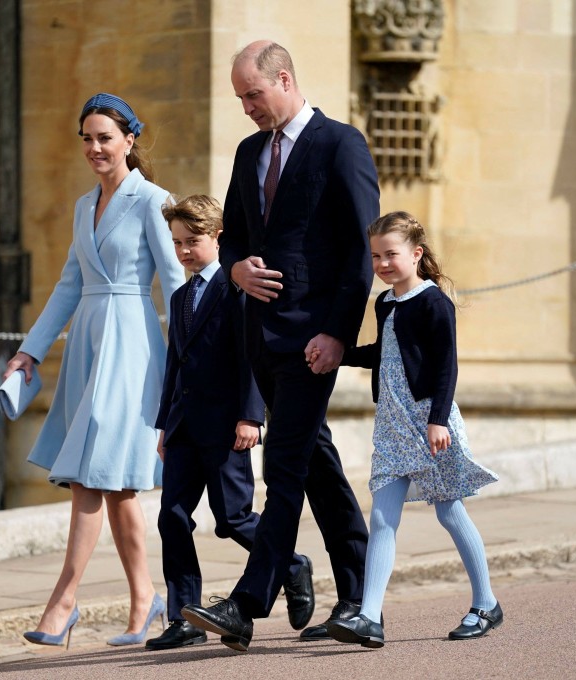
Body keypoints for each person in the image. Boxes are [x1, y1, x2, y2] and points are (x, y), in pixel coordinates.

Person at [181, 40, 377, 651]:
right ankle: (360, 595)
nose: (245, 108)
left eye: (252, 95)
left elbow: (358, 250)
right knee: (315, 461)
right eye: (239, 97)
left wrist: (338, 334)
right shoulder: (247, 152)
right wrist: (234, 270)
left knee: (284, 465)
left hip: (313, 341)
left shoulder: (340, 144)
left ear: (284, 80)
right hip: (259, 340)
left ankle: (246, 603)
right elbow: (234, 238)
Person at [4, 93, 185, 649]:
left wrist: (190, 360)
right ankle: (144, 599)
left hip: (132, 345)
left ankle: (62, 602)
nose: (94, 147)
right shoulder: (85, 206)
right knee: (116, 485)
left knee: (90, 474)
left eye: (104, 136)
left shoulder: (155, 201)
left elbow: (176, 283)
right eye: (86, 137)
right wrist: (29, 351)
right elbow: (69, 284)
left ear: (130, 139)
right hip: (87, 342)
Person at [323, 211, 502, 648]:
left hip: (428, 422)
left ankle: (486, 604)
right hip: (392, 423)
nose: (383, 264)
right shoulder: (385, 303)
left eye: (392, 254)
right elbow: (386, 355)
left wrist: (438, 419)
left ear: (416, 254)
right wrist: (339, 352)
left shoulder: (433, 302)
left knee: (449, 512)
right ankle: (369, 617)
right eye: (376, 257)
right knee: (382, 517)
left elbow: (446, 366)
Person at [146, 194, 313, 651]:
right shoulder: (180, 297)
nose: (182, 251)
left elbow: (250, 358)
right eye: (176, 242)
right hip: (182, 428)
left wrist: (250, 416)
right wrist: (164, 424)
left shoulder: (237, 292)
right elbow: (173, 366)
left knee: (233, 518)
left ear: (218, 238)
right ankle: (186, 618)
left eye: (192, 241)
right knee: (172, 519)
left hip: (227, 427)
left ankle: (292, 564)